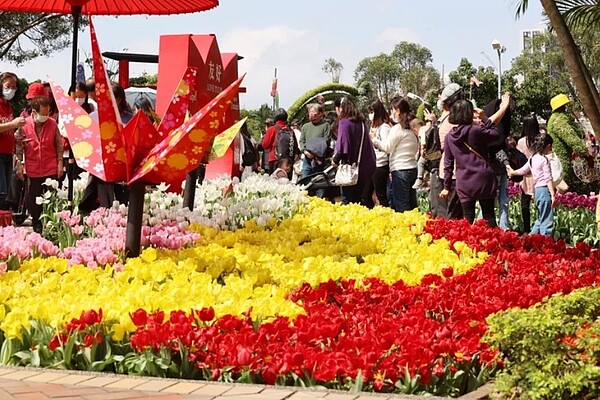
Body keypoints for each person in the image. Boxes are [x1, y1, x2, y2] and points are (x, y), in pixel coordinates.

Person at [441, 93, 511, 227]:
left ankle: (468, 244)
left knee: (467, 218)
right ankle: (493, 244)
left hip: (464, 181)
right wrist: (484, 117)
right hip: (483, 178)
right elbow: (496, 135)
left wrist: (446, 187)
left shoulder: (449, 137)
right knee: (489, 216)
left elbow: (448, 164)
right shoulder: (475, 131)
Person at [15, 95, 64, 233]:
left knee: (50, 198)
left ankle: (49, 224)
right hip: (32, 168)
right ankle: (36, 223)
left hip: (50, 168)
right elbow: (19, 148)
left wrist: (60, 163)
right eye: (43, 114)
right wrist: (19, 165)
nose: (46, 116)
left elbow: (59, 146)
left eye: (47, 113)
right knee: (34, 198)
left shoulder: (53, 124)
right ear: (34, 112)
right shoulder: (23, 125)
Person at [371, 96, 419, 212]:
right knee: (411, 204)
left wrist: (374, 140)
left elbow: (387, 147)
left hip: (400, 170)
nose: (391, 113)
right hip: (412, 168)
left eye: (392, 110)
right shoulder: (411, 128)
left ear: (397, 111)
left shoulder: (398, 128)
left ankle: (405, 229)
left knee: (402, 205)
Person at [507, 133, 556, 236]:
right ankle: (546, 242)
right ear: (547, 146)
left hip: (537, 191)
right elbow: (548, 178)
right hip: (544, 191)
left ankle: (530, 238)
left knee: (541, 217)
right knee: (547, 219)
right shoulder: (544, 160)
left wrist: (512, 172)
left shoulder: (533, 158)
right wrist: (552, 194)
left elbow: (522, 170)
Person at [333, 96, 376, 205]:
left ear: (341, 108)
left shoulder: (344, 123)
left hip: (351, 170)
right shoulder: (361, 123)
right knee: (362, 201)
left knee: (348, 202)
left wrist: (335, 161)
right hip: (366, 167)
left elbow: (343, 148)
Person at [430, 84, 463, 220]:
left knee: (446, 215)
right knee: (449, 214)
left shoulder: (452, 121)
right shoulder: (455, 120)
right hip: (448, 173)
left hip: (449, 173)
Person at [546, 93, 590, 192]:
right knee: (564, 190)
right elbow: (571, 138)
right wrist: (585, 153)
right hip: (562, 161)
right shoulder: (559, 120)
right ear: (563, 106)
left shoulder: (553, 119)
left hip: (560, 159)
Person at [484, 98, 512, 230]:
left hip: (501, 170)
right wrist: (507, 163)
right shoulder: (493, 130)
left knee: (501, 200)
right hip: (494, 170)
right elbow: (496, 148)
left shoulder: (496, 129)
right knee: (493, 202)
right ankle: (484, 226)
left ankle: (503, 226)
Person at [0, 72, 26, 210]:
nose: (11, 90)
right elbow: (8, 126)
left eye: (14, 87)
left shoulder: (8, 107)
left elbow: (7, 130)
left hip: (7, 153)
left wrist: (17, 139)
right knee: (1, 190)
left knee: (6, 192)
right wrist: (13, 124)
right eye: (8, 86)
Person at [362, 99, 391, 208]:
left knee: (381, 195)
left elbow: (386, 146)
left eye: (372, 112)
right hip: (372, 165)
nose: (370, 115)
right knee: (366, 194)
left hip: (380, 165)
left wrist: (374, 140)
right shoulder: (373, 127)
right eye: (369, 112)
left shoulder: (384, 128)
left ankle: (386, 216)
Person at [300, 103, 331, 197]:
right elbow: (301, 141)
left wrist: (315, 152)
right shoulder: (305, 127)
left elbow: (326, 140)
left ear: (321, 114)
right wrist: (305, 151)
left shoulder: (325, 125)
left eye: (314, 114)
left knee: (320, 184)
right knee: (305, 184)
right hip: (307, 159)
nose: (311, 116)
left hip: (319, 160)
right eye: (310, 114)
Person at [516, 114, 540, 233]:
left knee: (525, 204)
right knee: (540, 202)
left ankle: (526, 229)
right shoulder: (540, 140)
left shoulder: (521, 142)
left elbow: (518, 159)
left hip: (525, 175)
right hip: (539, 175)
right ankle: (539, 228)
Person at [261, 108, 299, 174]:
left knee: (274, 182)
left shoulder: (271, 129)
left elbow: (265, 145)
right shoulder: (290, 130)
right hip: (287, 162)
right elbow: (295, 146)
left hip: (274, 160)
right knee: (286, 182)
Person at [411, 118, 427, 189]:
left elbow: (423, 139)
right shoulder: (426, 128)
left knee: (420, 163)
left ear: (415, 129)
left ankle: (420, 178)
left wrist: (422, 147)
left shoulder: (422, 130)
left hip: (427, 151)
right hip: (428, 151)